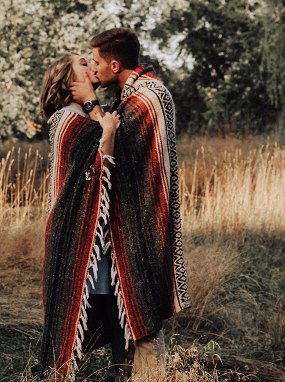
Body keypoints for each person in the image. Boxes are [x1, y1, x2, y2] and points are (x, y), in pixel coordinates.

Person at [70, 28, 192, 381]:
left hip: (144, 219)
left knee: (141, 306)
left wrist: (90, 101)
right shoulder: (134, 92)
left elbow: (112, 143)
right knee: (127, 304)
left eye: (95, 62)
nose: (92, 69)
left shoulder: (147, 97)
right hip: (132, 217)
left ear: (114, 63)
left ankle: (149, 377)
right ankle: (123, 375)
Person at [39, 53, 124, 379]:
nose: (91, 65)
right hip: (76, 233)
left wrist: (93, 105)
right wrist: (108, 132)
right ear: (67, 81)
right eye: (82, 64)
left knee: (105, 310)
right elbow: (96, 168)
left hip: (96, 235)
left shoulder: (85, 115)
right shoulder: (66, 119)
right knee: (78, 309)